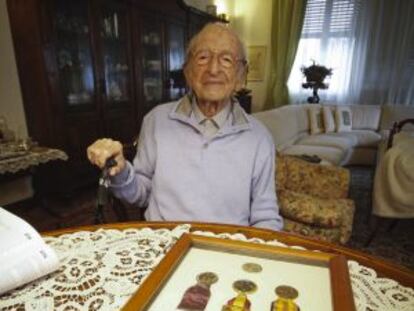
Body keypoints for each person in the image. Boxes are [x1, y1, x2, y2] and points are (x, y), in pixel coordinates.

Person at [87, 23, 283, 230]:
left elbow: (265, 214)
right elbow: (142, 193)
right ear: (188, 72)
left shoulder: (259, 137)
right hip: (163, 242)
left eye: (226, 59)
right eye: (203, 58)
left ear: (241, 76)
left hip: (226, 249)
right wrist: (122, 171)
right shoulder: (156, 120)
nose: (213, 69)